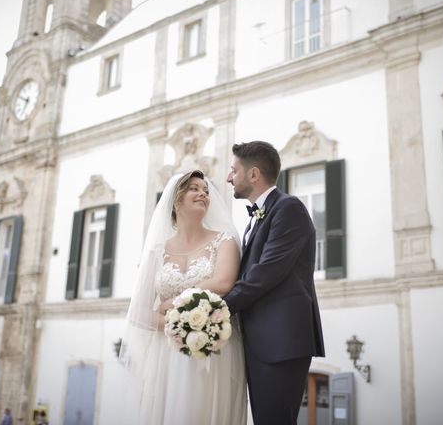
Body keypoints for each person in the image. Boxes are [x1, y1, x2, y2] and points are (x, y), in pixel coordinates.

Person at [121, 170, 247, 424]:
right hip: (167, 354)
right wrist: (177, 325)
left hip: (213, 351)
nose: (203, 193)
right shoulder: (157, 252)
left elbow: (223, 282)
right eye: (194, 188)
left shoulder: (225, 242)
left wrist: (172, 304)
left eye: (206, 190)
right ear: (175, 199)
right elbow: (139, 312)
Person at [224, 141, 325, 425]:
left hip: (281, 341)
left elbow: (266, 272)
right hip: (261, 341)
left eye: (234, 170)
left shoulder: (288, 208)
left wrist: (219, 307)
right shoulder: (257, 217)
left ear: (253, 174)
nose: (229, 177)